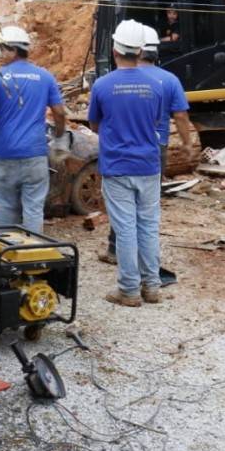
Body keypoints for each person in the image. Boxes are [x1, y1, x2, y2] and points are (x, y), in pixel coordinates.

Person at [88, 20, 166, 307]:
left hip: (117, 167)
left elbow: (94, 124)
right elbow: (156, 120)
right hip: (148, 166)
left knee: (125, 229)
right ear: (141, 49)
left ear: (115, 48)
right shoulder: (155, 85)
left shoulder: (102, 85)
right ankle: (152, 287)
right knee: (148, 226)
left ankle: (129, 290)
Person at [101, 25, 192, 265]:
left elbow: (99, 121)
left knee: (122, 209)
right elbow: (181, 116)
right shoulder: (168, 80)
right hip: (154, 150)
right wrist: (187, 144)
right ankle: (147, 267)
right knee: (147, 213)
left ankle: (115, 251)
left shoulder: (112, 81)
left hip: (120, 151)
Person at [0, 26, 67, 234]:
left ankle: (6, 256)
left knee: (5, 207)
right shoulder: (44, 76)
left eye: (2, 49)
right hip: (35, 154)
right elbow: (60, 112)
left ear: (13, 50)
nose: (0, 54)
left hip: (6, 154)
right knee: (33, 210)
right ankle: (31, 255)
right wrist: (60, 137)